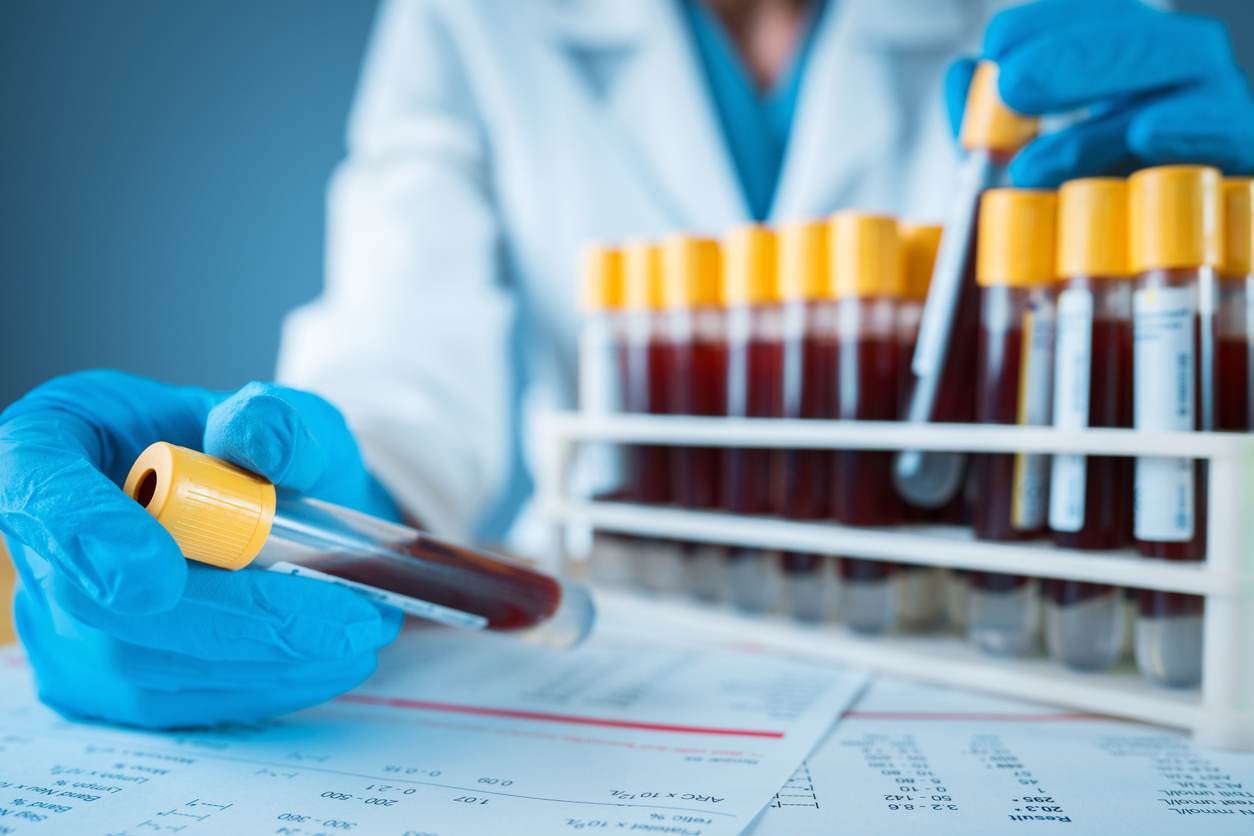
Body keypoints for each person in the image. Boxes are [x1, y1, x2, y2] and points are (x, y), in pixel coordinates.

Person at [1, 0, 1252, 729]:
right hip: (621, 628)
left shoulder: (1065, 24)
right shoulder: (471, 18)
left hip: (1007, 644)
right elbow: (400, 376)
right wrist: (312, 498)